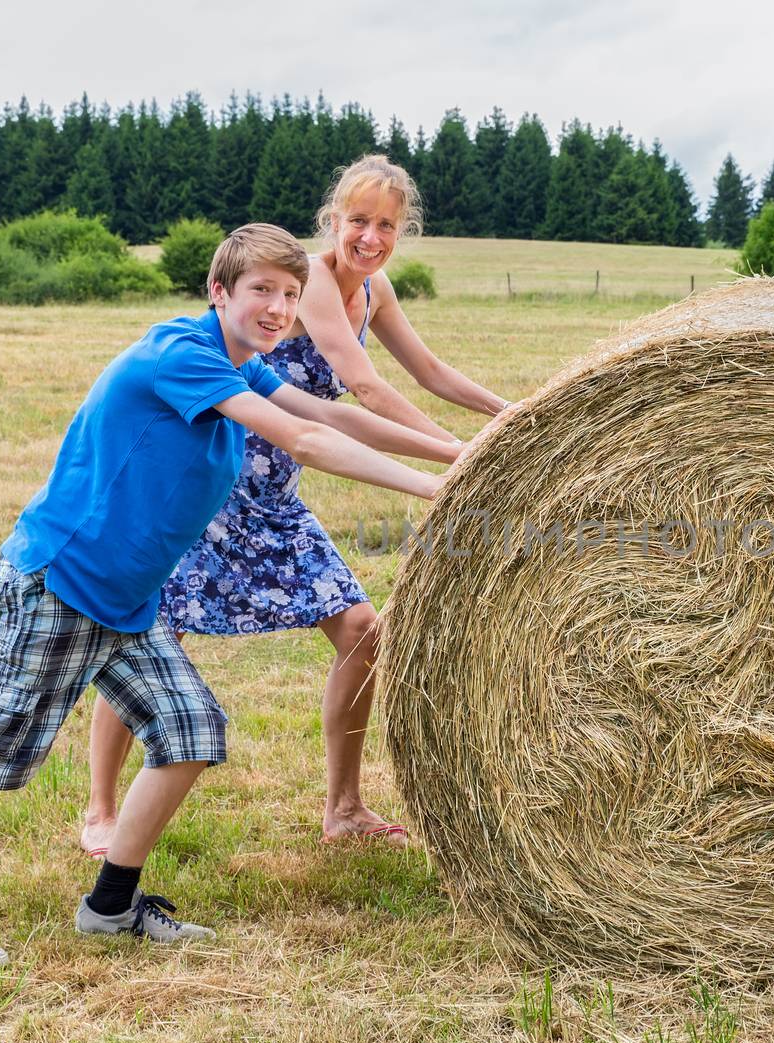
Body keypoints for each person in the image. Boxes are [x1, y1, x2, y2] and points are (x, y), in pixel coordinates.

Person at [0, 223, 460, 970]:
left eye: (290, 293)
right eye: (261, 291)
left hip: (128, 601)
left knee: (190, 733)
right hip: (61, 584)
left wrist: (461, 451)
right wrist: (434, 488)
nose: (279, 307)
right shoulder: (184, 355)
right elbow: (305, 442)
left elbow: (331, 415)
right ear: (218, 292)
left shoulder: (241, 365)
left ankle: (111, 905)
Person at [80, 156, 507, 854]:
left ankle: (345, 806)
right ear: (332, 220)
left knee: (362, 631)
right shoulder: (303, 285)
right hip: (219, 484)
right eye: (358, 221)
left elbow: (429, 372)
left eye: (387, 225)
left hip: (278, 494)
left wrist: (512, 418)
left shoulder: (374, 289)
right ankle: (100, 809)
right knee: (157, 632)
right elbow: (365, 389)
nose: (370, 237)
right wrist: (462, 456)